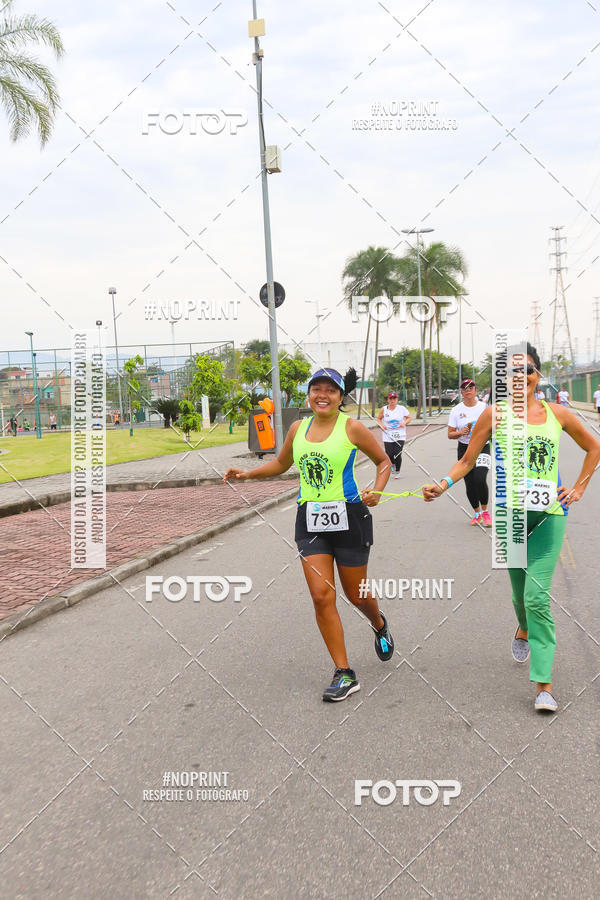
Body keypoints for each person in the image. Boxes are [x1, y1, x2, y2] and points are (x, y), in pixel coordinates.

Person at [423, 343, 600, 712]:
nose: (521, 377)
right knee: (521, 597)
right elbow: (469, 459)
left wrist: (580, 486)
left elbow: (593, 447)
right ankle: (522, 628)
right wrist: (442, 483)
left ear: (538, 377)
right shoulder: (494, 415)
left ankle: (544, 686)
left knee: (537, 598)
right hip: (509, 518)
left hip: (550, 514)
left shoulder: (560, 414)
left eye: (529, 370)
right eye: (513, 372)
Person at [223, 367, 395, 702]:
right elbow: (281, 464)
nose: (323, 395)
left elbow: (384, 461)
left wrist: (377, 489)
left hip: (350, 517)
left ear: (341, 397)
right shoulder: (297, 429)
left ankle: (378, 623)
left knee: (356, 595)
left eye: (331, 390)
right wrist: (247, 474)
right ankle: (344, 672)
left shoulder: (353, 428)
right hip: (310, 521)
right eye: (317, 388)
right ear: (309, 394)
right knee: (320, 596)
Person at [447, 379, 492, 526]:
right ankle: (477, 512)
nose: (468, 390)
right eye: (464, 388)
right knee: (470, 483)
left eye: (471, 387)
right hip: (464, 448)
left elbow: (494, 426)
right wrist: (461, 432)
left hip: (482, 447)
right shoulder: (456, 410)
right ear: (461, 392)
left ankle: (485, 512)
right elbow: (450, 434)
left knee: (480, 478)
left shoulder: (485, 407)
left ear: (475, 390)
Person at [377, 391, 411, 479]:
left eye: (394, 398)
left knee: (397, 453)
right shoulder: (384, 409)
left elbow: (409, 417)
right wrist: (382, 425)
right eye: (390, 399)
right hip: (388, 435)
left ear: (397, 400)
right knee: (389, 454)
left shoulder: (402, 409)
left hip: (400, 434)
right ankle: (392, 464)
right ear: (388, 400)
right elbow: (378, 419)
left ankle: (397, 471)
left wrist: (404, 423)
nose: (392, 400)